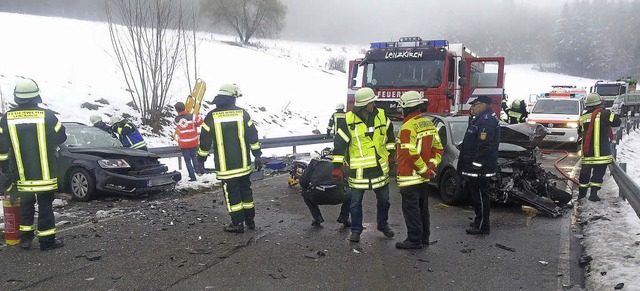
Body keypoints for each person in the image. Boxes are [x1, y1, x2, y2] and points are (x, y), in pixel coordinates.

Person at [0, 78, 67, 251]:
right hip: (45, 174)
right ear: (36, 95)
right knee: (45, 206)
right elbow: (62, 137)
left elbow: (1, 145)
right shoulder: (47, 115)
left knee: (26, 204)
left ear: (17, 97)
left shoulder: (6, 118)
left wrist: (4, 166)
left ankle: (25, 239)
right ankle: (47, 241)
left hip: (22, 175)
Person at [333, 87, 396, 242]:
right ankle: (356, 230)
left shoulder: (381, 116)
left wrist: (392, 156)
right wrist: (336, 168)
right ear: (363, 105)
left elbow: (390, 138)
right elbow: (340, 145)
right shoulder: (348, 120)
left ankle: (382, 224)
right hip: (359, 172)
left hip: (379, 169)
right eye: (371, 102)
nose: (373, 105)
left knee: (384, 200)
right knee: (355, 204)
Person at [197, 83, 262, 233]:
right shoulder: (242, 114)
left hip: (226, 167)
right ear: (232, 98)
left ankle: (237, 224)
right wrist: (257, 155)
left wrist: (201, 159)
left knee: (232, 193)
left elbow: (205, 141)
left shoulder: (211, 116)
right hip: (243, 164)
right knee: (246, 190)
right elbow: (253, 136)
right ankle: (250, 221)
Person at [394, 91, 443, 249]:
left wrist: (423, 170)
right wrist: (430, 167)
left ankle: (414, 239)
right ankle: (424, 238)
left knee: (411, 209)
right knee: (423, 209)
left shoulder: (407, 127)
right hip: (423, 178)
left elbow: (410, 154)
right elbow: (438, 149)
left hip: (410, 177)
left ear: (406, 108)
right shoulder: (429, 124)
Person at [458, 95, 500, 235]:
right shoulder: (480, 119)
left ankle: (482, 226)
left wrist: (477, 164)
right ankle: (478, 220)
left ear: (482, 105)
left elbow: (485, 145)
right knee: (475, 197)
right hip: (475, 167)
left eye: (474, 105)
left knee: (481, 197)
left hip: (480, 168)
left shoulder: (486, 121)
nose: (472, 108)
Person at [578, 93, 621, 202]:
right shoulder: (605, 114)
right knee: (598, 174)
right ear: (599, 104)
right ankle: (593, 194)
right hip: (601, 154)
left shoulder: (583, 117)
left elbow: (579, 132)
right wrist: (610, 113)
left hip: (587, 154)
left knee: (584, 175)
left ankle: (581, 196)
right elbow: (617, 122)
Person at [299, 149, 351, 228]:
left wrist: (312, 185)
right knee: (351, 193)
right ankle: (344, 217)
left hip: (317, 196)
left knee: (304, 193)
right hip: (337, 196)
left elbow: (303, 182)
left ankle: (317, 218)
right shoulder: (339, 165)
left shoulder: (314, 163)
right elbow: (347, 183)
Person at [174, 101, 204, 181]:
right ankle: (198, 171)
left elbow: (177, 125)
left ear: (177, 110)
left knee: (187, 161)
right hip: (193, 141)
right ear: (184, 107)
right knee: (194, 157)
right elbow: (200, 120)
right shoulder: (192, 116)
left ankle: (192, 177)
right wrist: (195, 124)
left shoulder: (176, 120)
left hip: (183, 143)